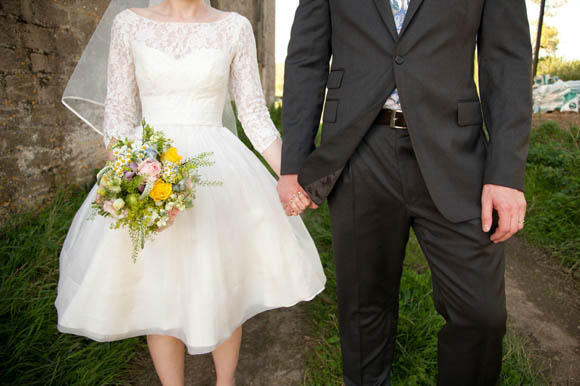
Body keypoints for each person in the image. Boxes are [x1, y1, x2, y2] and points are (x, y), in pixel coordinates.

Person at [55, 1, 325, 385]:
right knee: (158, 289)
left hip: (219, 175)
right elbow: (118, 114)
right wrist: (137, 180)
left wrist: (294, 179)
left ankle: (225, 382)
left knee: (221, 283)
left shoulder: (234, 27)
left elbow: (252, 114)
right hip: (150, 170)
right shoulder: (129, 24)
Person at [278, 0, 532, 384]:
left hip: (456, 151)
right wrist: (295, 162)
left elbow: (508, 61)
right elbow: (306, 59)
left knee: (481, 312)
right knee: (364, 311)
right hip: (358, 150)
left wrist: (506, 173)